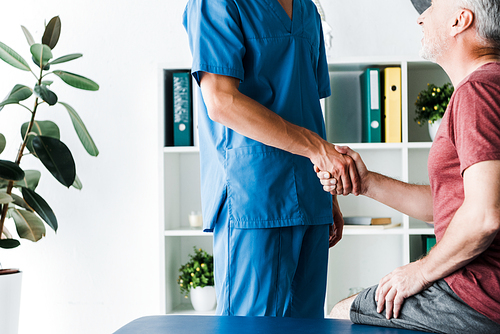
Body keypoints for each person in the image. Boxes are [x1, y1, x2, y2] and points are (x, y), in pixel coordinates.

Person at [317, 0, 500, 332]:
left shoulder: (479, 90)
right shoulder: (488, 86)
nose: (421, 19)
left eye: (432, 7)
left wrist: (419, 271)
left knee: (340, 315)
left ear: (460, 20)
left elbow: (483, 218)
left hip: (478, 297)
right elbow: (448, 206)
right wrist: (366, 181)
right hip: (482, 293)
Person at [182, 0, 359, 318]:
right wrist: (318, 151)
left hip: (311, 194)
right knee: (253, 327)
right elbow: (221, 100)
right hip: (255, 195)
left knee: (308, 325)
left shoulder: (307, 9)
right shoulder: (217, 4)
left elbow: (307, 103)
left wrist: (327, 191)